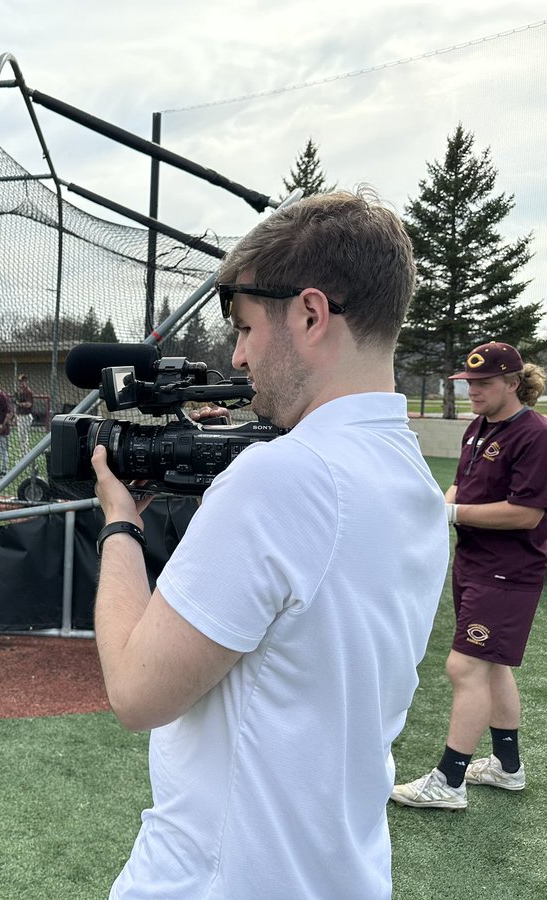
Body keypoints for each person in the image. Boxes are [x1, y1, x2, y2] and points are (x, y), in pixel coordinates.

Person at [90, 189, 449, 899]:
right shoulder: (413, 481)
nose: (239, 354)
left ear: (311, 315)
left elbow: (136, 692)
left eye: (248, 327)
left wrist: (120, 524)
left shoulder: (282, 478)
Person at [391, 341, 547, 810]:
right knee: (493, 666)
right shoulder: (480, 426)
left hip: (507, 572)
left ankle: (450, 782)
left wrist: (452, 514)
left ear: (513, 383)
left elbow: (527, 513)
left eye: (484, 383)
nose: (473, 390)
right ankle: (508, 768)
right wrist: (439, 508)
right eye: (469, 383)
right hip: (475, 563)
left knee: (464, 666)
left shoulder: (538, 436)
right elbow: (460, 488)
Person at [14, 372, 35, 456]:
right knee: (21, 438)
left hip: (26, 416)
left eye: (22, 381)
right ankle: (24, 455)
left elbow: (29, 404)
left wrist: (19, 404)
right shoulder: (20, 391)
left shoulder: (28, 392)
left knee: (23, 438)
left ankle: (25, 455)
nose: (21, 383)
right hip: (21, 416)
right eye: (20, 382)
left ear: (26, 382)